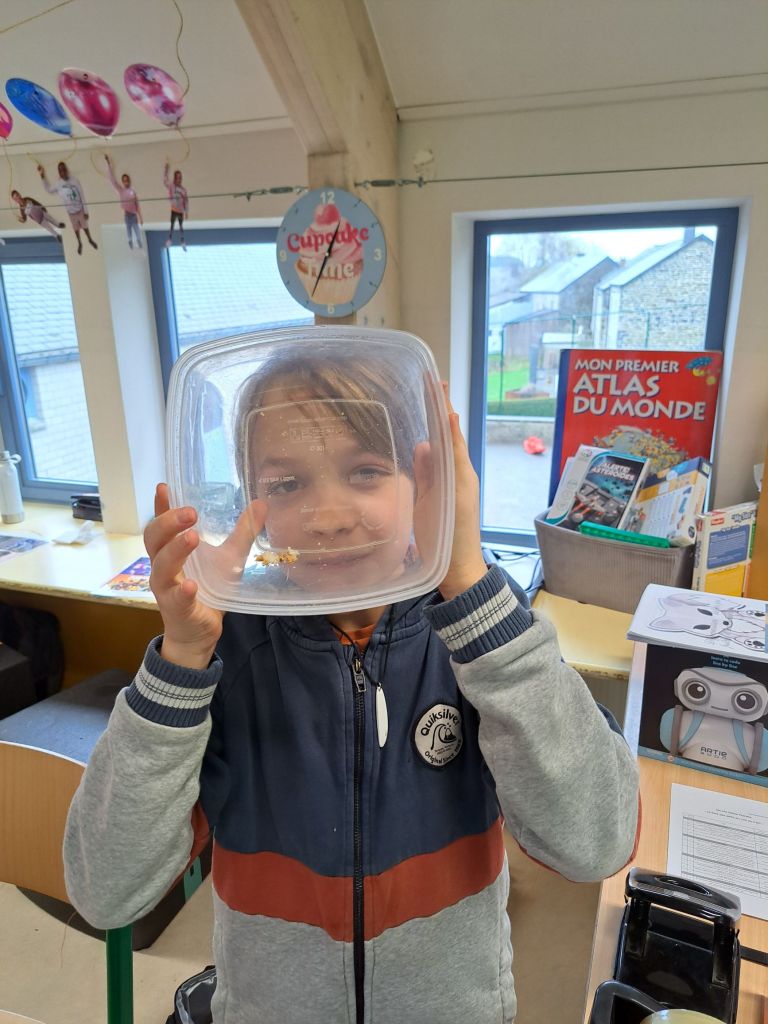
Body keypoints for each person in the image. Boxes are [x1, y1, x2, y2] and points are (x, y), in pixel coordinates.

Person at [63, 350, 640, 1024]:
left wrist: (469, 588)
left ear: (425, 481)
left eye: (365, 471)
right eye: (285, 484)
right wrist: (182, 662)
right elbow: (106, 891)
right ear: (252, 504)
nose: (329, 516)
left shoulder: (481, 626)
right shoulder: (227, 647)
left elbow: (596, 842)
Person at [37, 161, 98, 255]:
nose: (63, 172)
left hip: (80, 209)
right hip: (71, 212)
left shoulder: (74, 180)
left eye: (64, 169)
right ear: (59, 173)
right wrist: (42, 176)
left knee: (85, 227)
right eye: (60, 170)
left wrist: (85, 211)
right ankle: (79, 243)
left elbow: (82, 195)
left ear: (66, 170)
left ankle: (90, 239)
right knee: (76, 229)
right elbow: (48, 190)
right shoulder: (58, 184)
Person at [104, 155, 143, 249]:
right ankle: (130, 243)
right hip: (127, 215)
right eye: (124, 181)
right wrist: (108, 164)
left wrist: (141, 217)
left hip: (134, 215)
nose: (126, 182)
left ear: (129, 181)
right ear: (122, 182)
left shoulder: (133, 191)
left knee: (137, 230)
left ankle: (139, 242)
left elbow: (137, 205)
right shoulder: (121, 190)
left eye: (127, 180)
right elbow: (112, 180)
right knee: (128, 231)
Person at [163, 161, 188, 249]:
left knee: (181, 226)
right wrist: (166, 169)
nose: (179, 180)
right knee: (172, 225)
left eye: (180, 178)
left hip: (180, 211)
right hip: (174, 209)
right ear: (174, 178)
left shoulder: (183, 190)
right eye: (177, 178)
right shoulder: (172, 186)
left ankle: (182, 241)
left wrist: (186, 212)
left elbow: (186, 201)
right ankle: (169, 240)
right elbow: (165, 181)